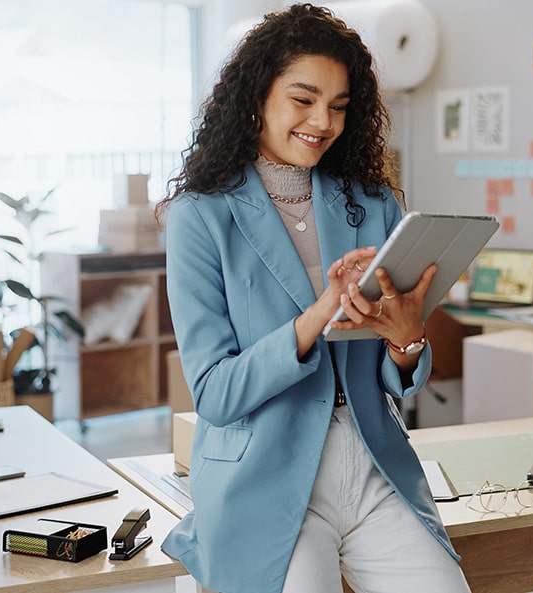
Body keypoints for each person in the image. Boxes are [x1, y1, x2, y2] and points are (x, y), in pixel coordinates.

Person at [155, 4, 471, 593]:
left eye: (339, 106)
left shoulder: (373, 203)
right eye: (303, 100)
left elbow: (397, 371)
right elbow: (216, 394)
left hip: (373, 465)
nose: (322, 121)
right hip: (265, 477)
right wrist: (319, 313)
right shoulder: (200, 215)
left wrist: (407, 338)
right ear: (257, 95)